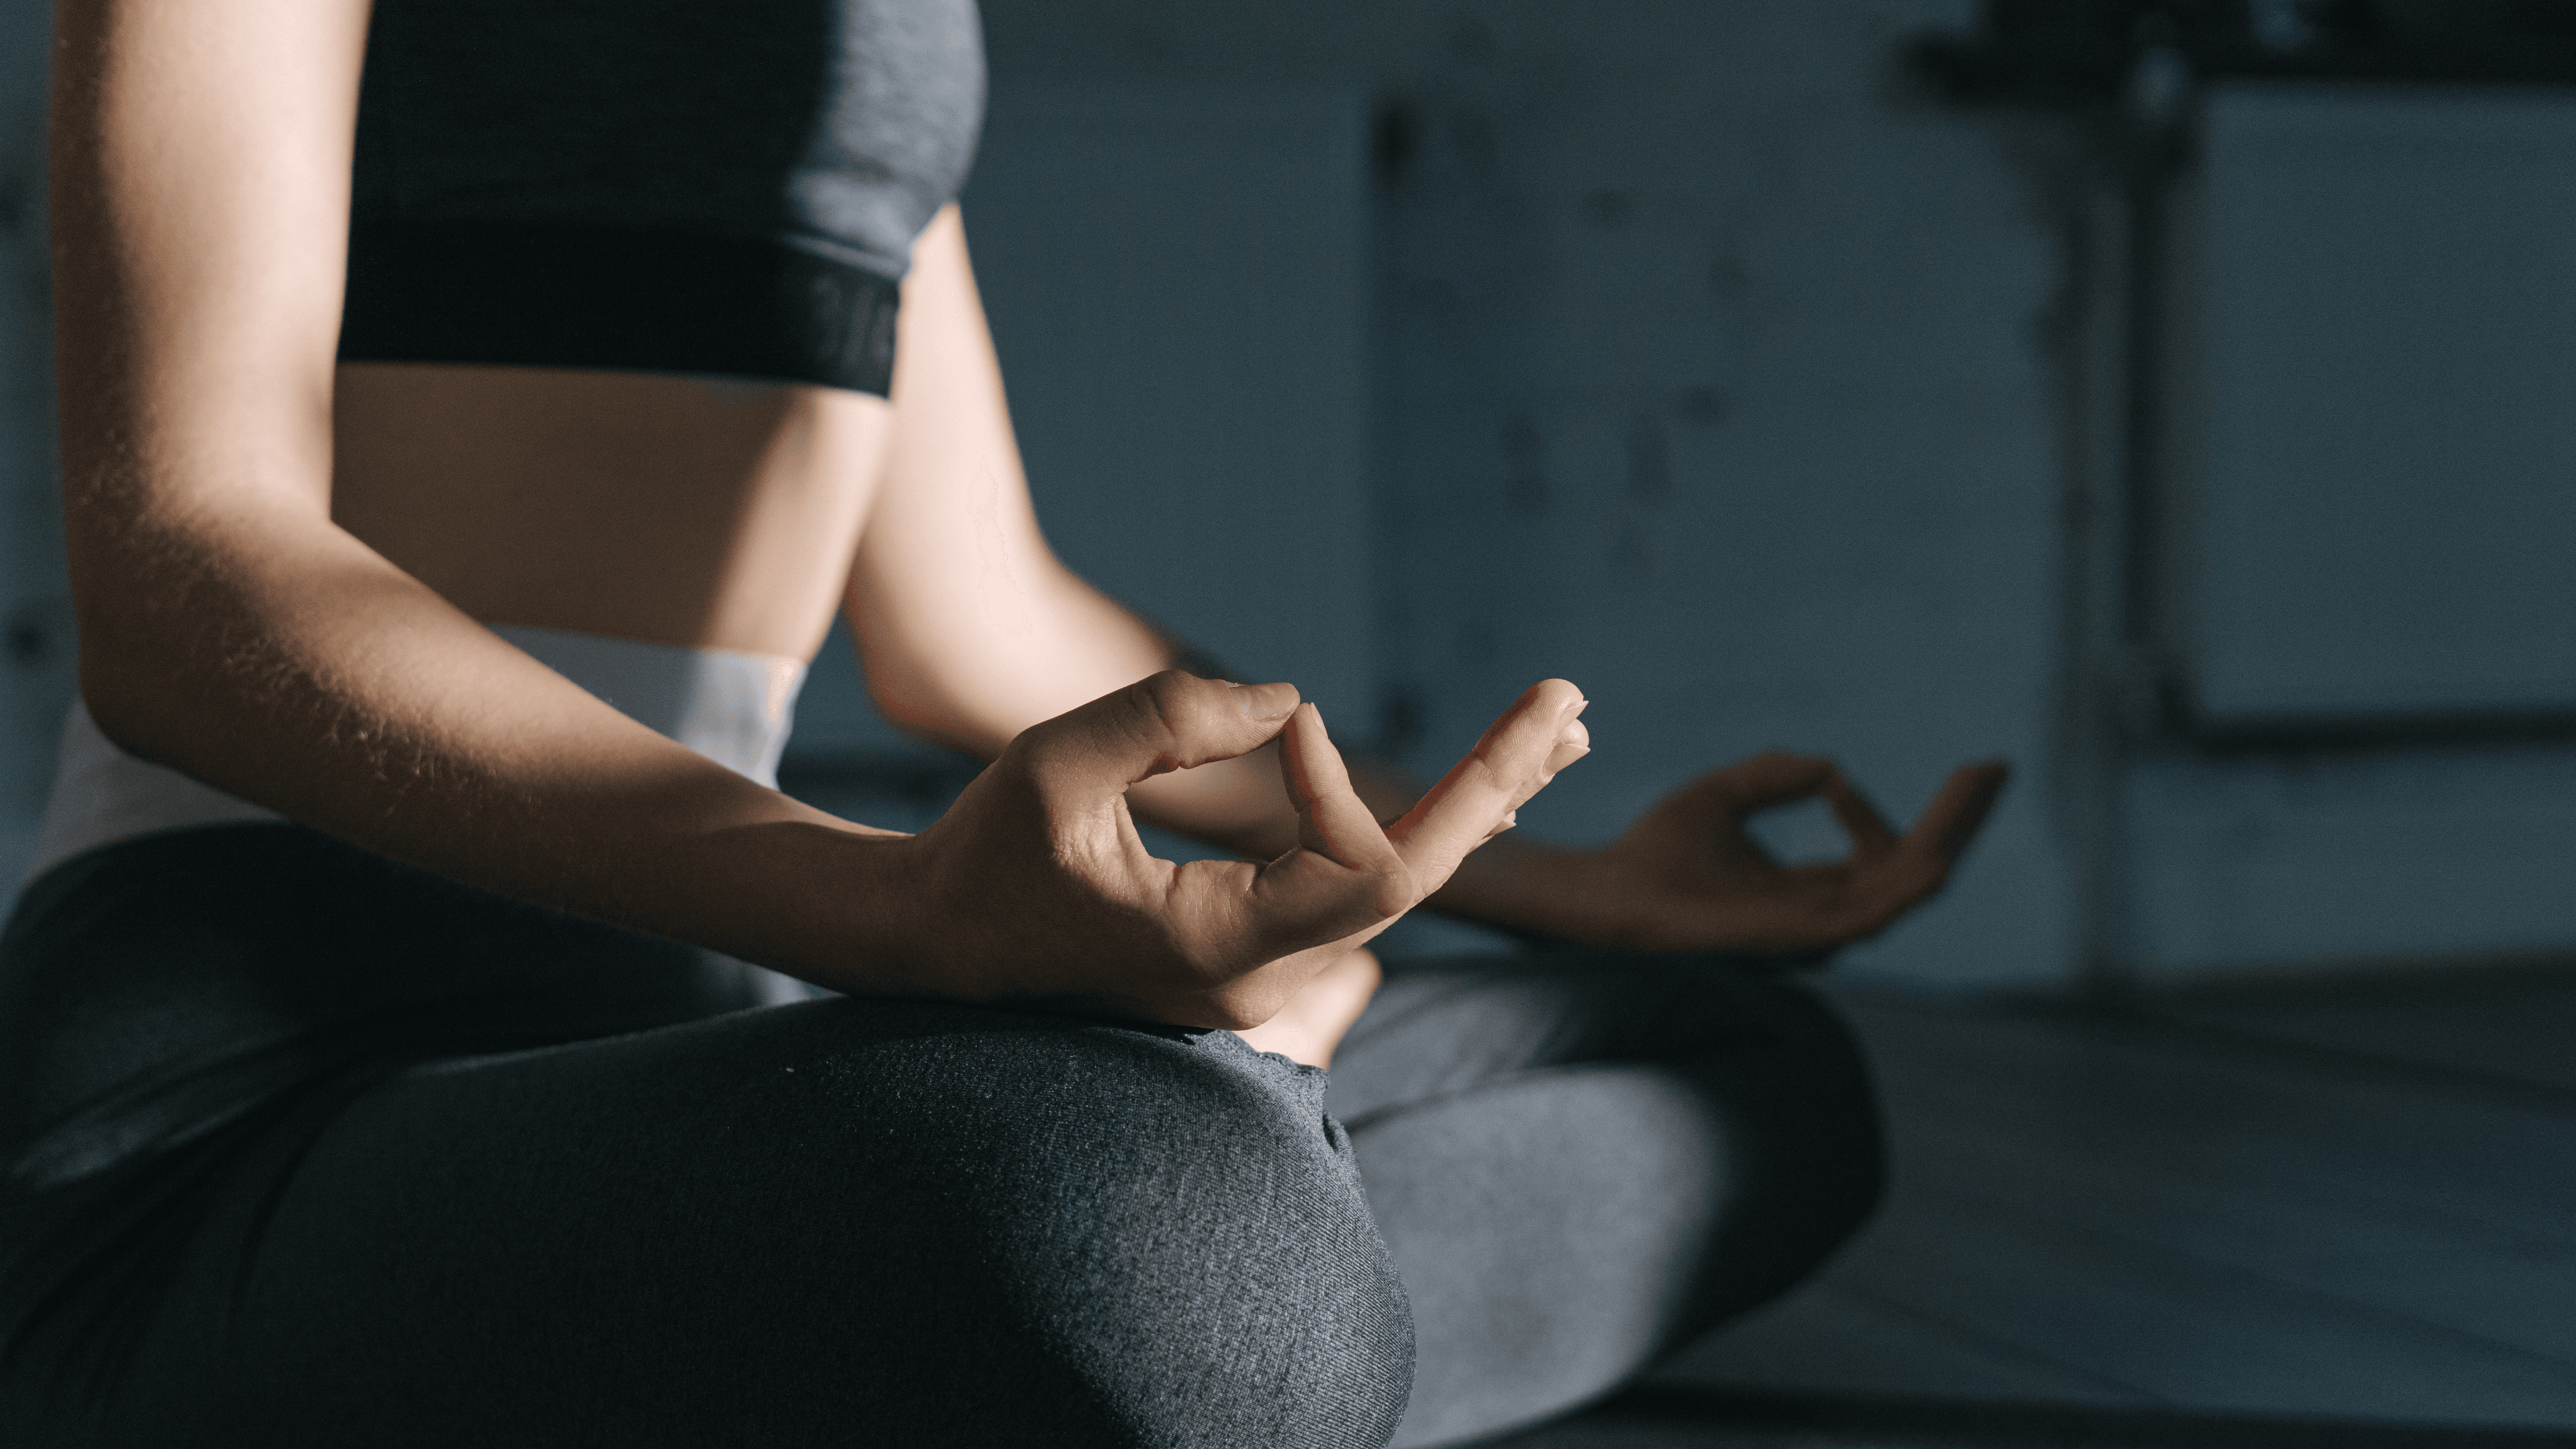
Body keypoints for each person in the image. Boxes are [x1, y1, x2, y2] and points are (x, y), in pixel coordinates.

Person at [0, 0, 2009, 1444]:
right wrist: (897, 922)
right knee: (1185, 1245)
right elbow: (190, 575)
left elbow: (977, 620)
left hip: (720, 1031)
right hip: (266, 1081)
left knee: (1747, 1078)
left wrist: (1559, 891)